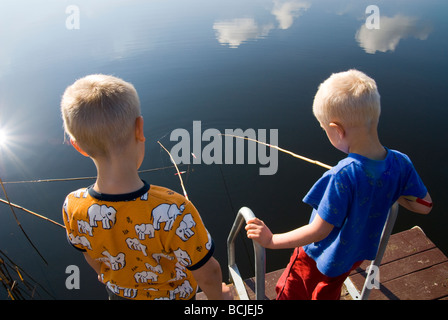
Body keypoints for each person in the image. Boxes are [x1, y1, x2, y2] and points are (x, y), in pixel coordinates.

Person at [245, 69, 432, 300]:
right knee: (326, 292)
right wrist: (391, 189)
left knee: (291, 293)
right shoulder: (400, 163)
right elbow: (424, 205)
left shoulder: (341, 176)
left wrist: (271, 240)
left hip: (316, 258)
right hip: (352, 257)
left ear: (336, 130)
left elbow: (319, 231)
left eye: (325, 130)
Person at [61, 74, 231, 300]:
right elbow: (209, 273)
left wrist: (107, 274)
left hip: (120, 295)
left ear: (78, 146)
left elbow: (91, 257)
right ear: (139, 128)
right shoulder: (176, 208)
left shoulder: (73, 205)